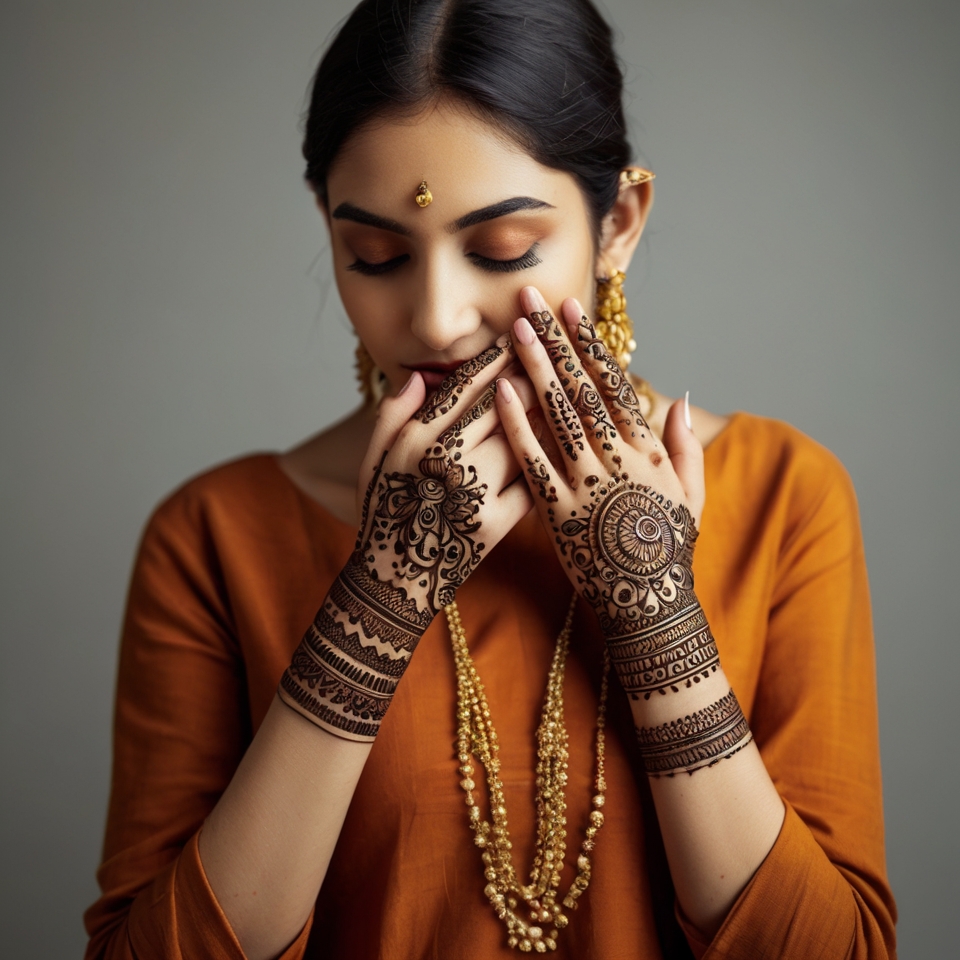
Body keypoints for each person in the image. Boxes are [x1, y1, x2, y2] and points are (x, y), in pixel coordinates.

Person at [83, 1, 897, 957]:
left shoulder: (784, 498)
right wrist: (380, 603)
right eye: (375, 256)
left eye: (501, 251)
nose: (434, 319)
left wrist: (652, 608)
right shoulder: (217, 535)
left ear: (619, 224)